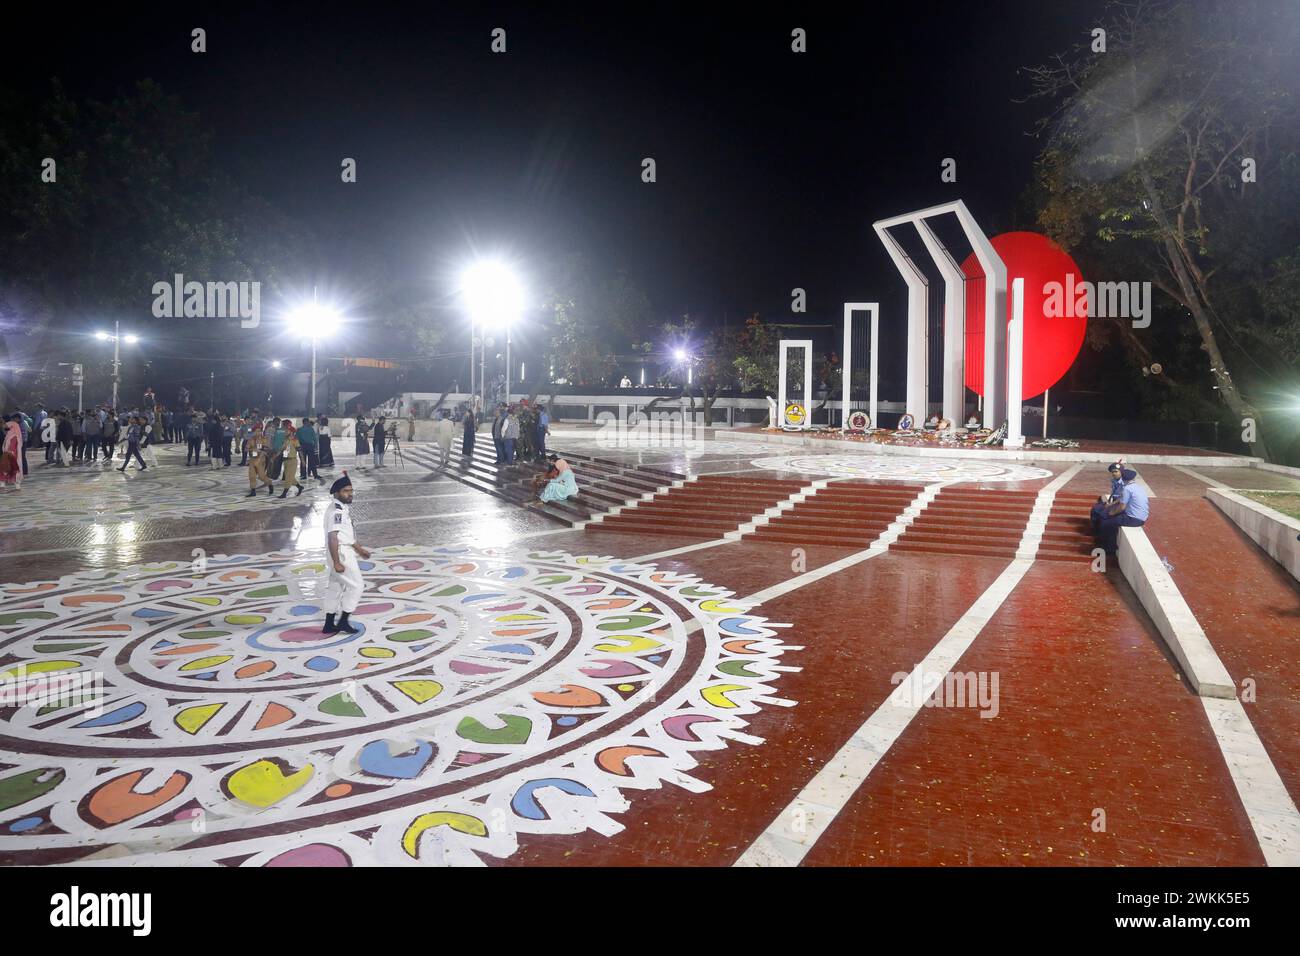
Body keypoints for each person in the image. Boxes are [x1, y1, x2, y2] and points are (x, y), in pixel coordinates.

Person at [322, 471, 369, 635]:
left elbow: (345, 535)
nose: (350, 494)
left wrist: (359, 549)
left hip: (342, 551)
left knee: (335, 586)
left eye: (351, 490)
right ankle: (343, 621)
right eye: (346, 491)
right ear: (337, 493)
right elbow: (333, 538)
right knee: (357, 586)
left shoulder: (340, 508)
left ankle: (328, 624)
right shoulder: (337, 512)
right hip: (341, 554)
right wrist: (336, 561)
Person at [1097, 468, 1149, 555]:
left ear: (1123, 479)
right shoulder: (1138, 487)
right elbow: (1122, 499)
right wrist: (1111, 507)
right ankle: (1109, 545)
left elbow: (1122, 507)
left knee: (1105, 523)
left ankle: (1108, 549)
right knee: (1112, 520)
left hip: (1133, 519)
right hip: (1141, 517)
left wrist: (1111, 513)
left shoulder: (1127, 489)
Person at [245, 423, 275, 496]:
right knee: (251, 476)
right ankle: (253, 491)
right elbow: (246, 449)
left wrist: (259, 457)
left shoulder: (264, 439)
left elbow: (266, 450)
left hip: (261, 460)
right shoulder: (251, 439)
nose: (257, 432)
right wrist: (252, 449)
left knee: (262, 477)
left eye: (259, 431)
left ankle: (270, 484)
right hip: (252, 460)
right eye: (256, 431)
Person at [279, 428, 303, 498]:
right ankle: (300, 487)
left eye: (287, 431)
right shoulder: (285, 440)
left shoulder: (295, 440)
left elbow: (300, 451)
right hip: (286, 460)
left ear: (291, 432)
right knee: (290, 477)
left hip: (292, 461)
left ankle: (284, 493)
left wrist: (303, 460)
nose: (285, 431)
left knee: (288, 478)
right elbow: (281, 449)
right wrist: (274, 456)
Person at [1, 418, 23, 490]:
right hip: (10, 456)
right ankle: (4, 485)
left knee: (10, 470)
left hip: (10, 456)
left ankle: (5, 485)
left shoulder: (13, 437)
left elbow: (12, 448)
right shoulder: (10, 435)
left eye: (8, 427)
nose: (6, 428)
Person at [298, 417, 322, 482]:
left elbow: (297, 438)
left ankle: (303, 475)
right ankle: (315, 474)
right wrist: (316, 446)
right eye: (308, 422)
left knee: (303, 461)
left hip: (302, 446)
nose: (309, 423)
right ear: (306, 422)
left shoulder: (299, 429)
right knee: (312, 461)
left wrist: (298, 447)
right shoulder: (310, 429)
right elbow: (314, 438)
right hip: (310, 446)